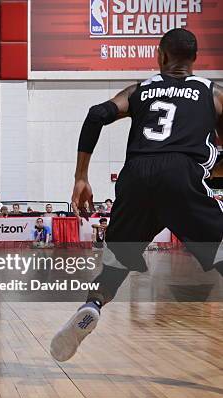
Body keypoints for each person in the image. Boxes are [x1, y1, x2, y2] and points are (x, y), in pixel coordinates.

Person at [50, 29, 223, 363]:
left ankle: (93, 304)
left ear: (160, 56)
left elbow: (96, 115)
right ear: (195, 59)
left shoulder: (139, 90)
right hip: (181, 175)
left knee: (117, 263)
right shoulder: (212, 93)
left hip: (136, 177)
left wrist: (81, 177)